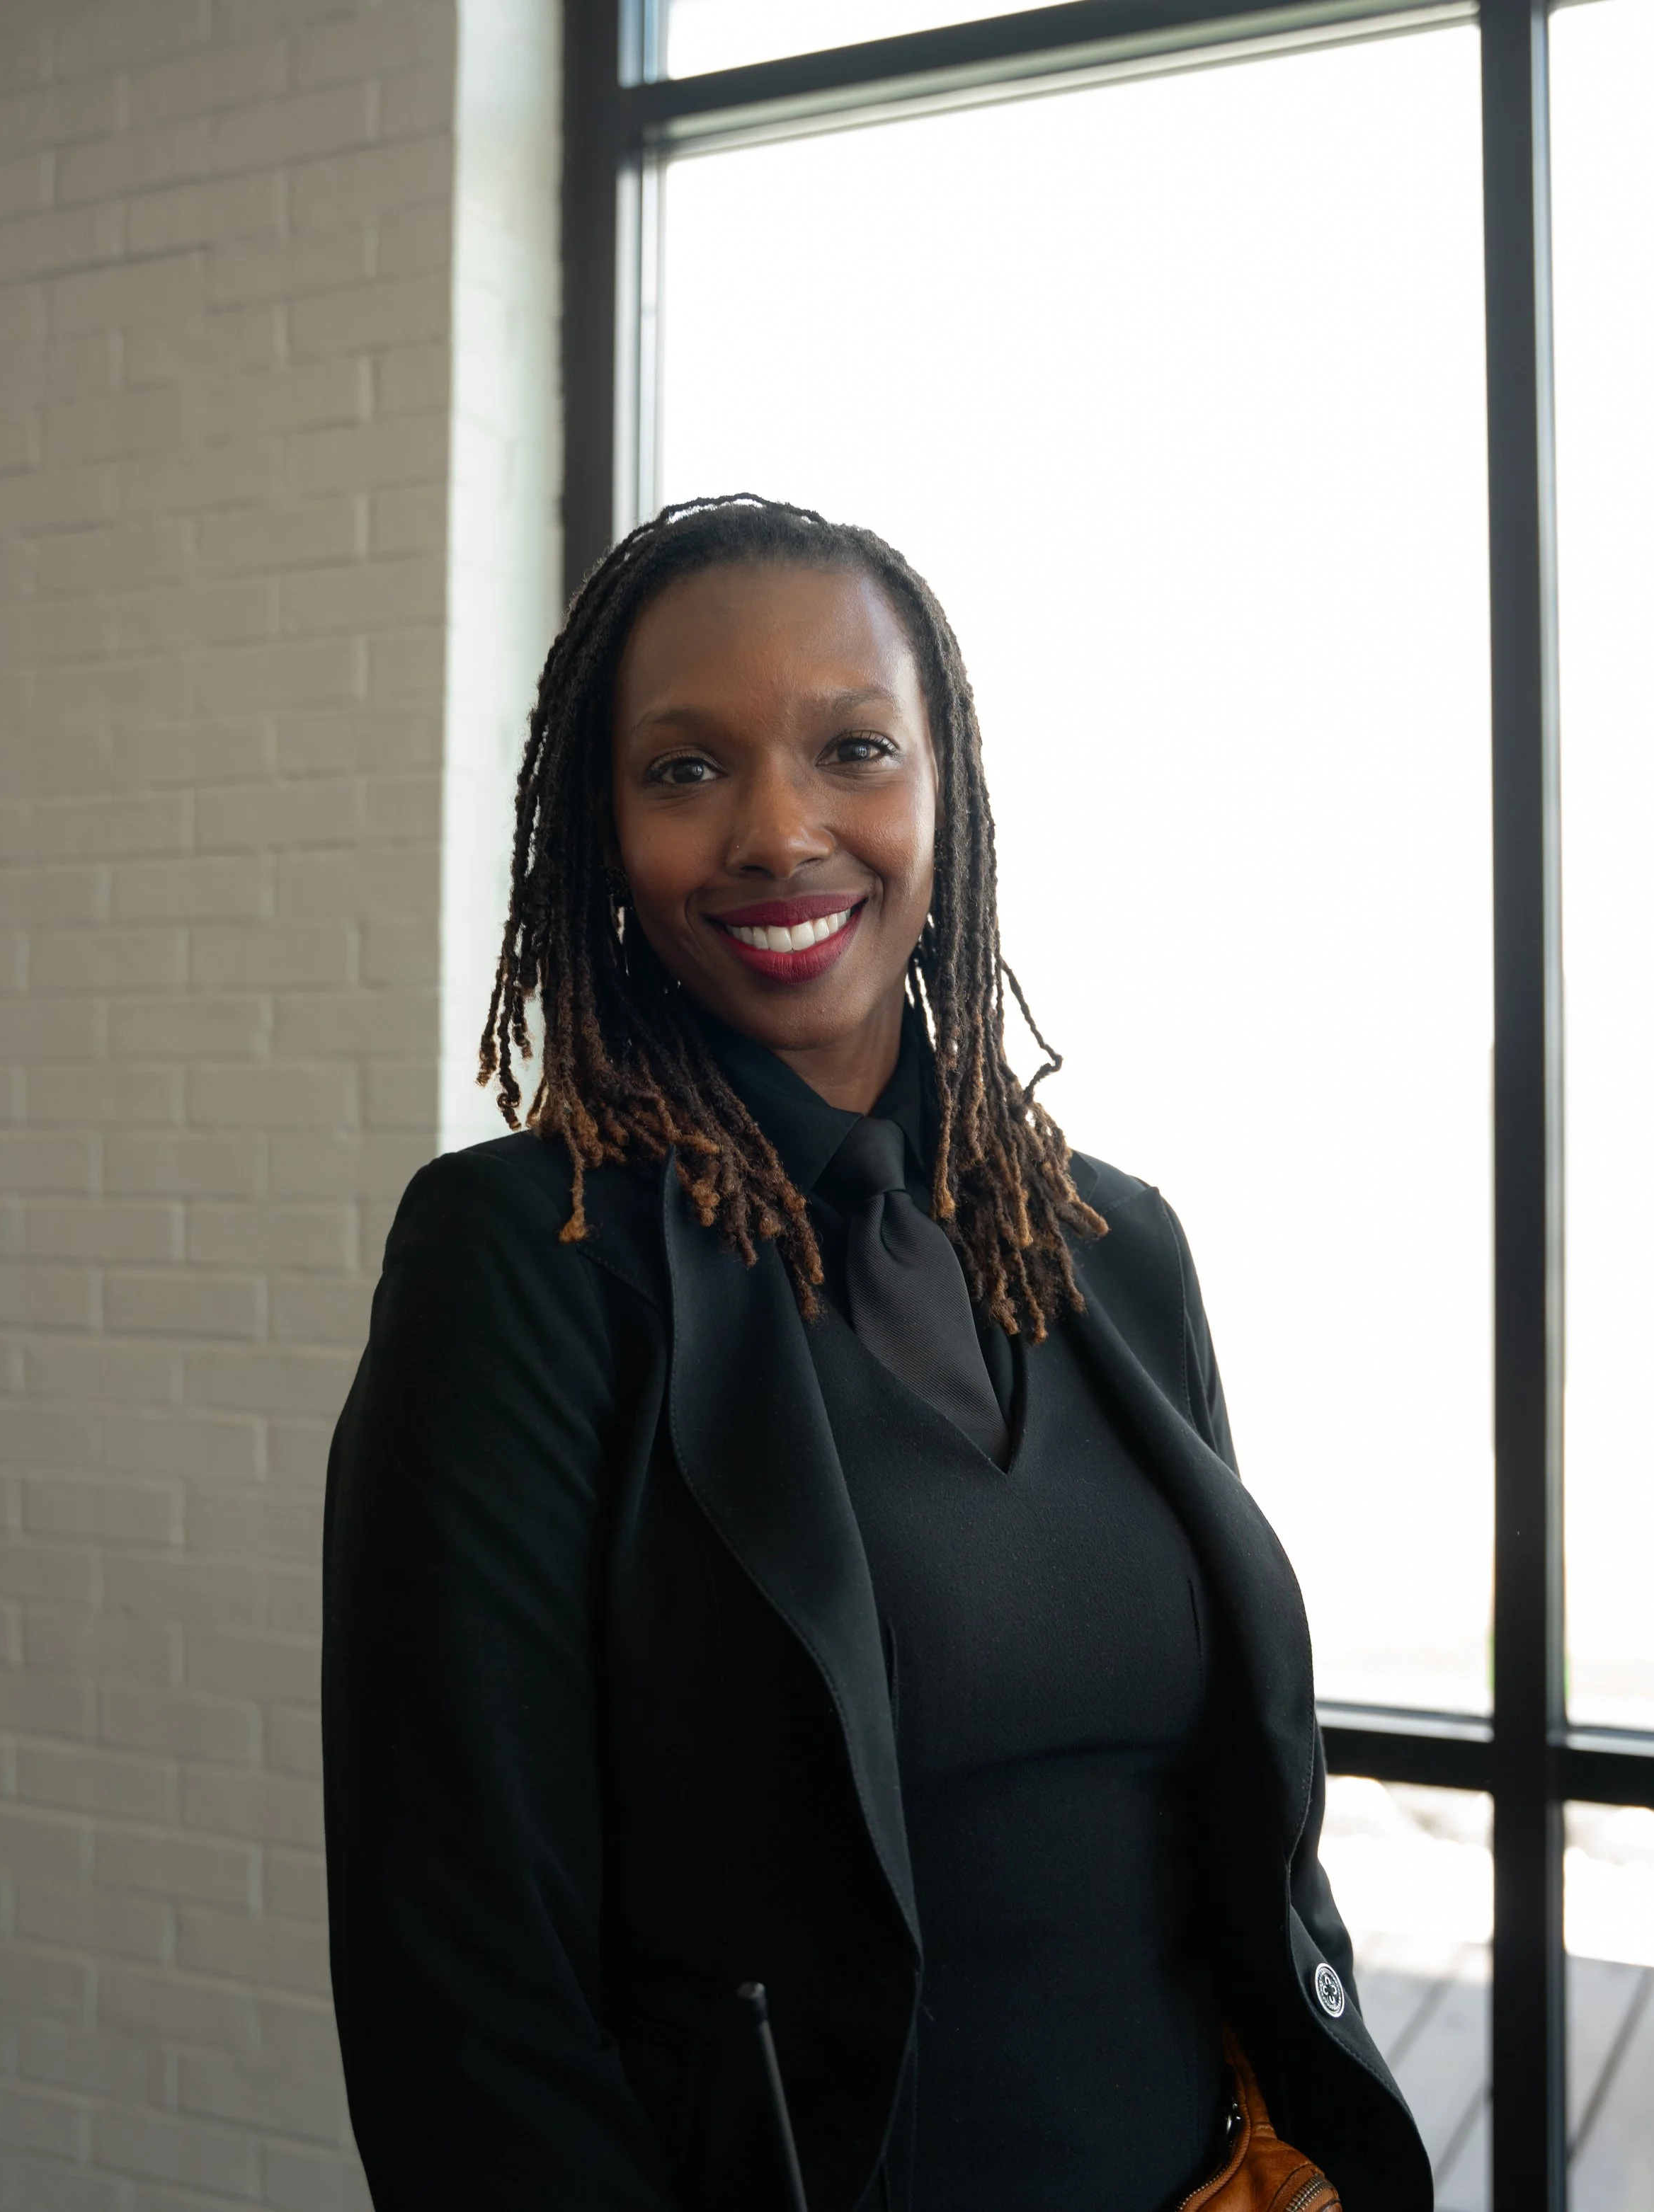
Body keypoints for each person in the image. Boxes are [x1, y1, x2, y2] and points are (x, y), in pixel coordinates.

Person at [321, 495, 1432, 2212]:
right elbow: (465, 1994)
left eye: (852, 747)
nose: (778, 830)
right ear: (596, 834)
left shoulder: (1114, 1246)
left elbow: (1239, 1833)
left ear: (944, 793)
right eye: (683, 769)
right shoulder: (524, 1262)